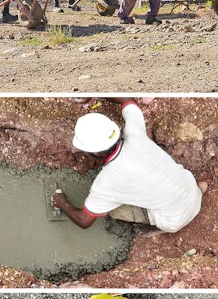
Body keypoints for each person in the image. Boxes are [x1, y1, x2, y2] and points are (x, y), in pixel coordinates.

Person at [51, 98, 205, 233]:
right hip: (192, 190)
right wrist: (94, 94)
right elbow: (127, 99)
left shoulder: (106, 183)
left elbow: (83, 221)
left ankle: (159, 228)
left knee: (115, 211)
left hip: (175, 220)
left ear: (96, 153)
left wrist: (61, 202)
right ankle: (199, 190)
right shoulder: (134, 133)